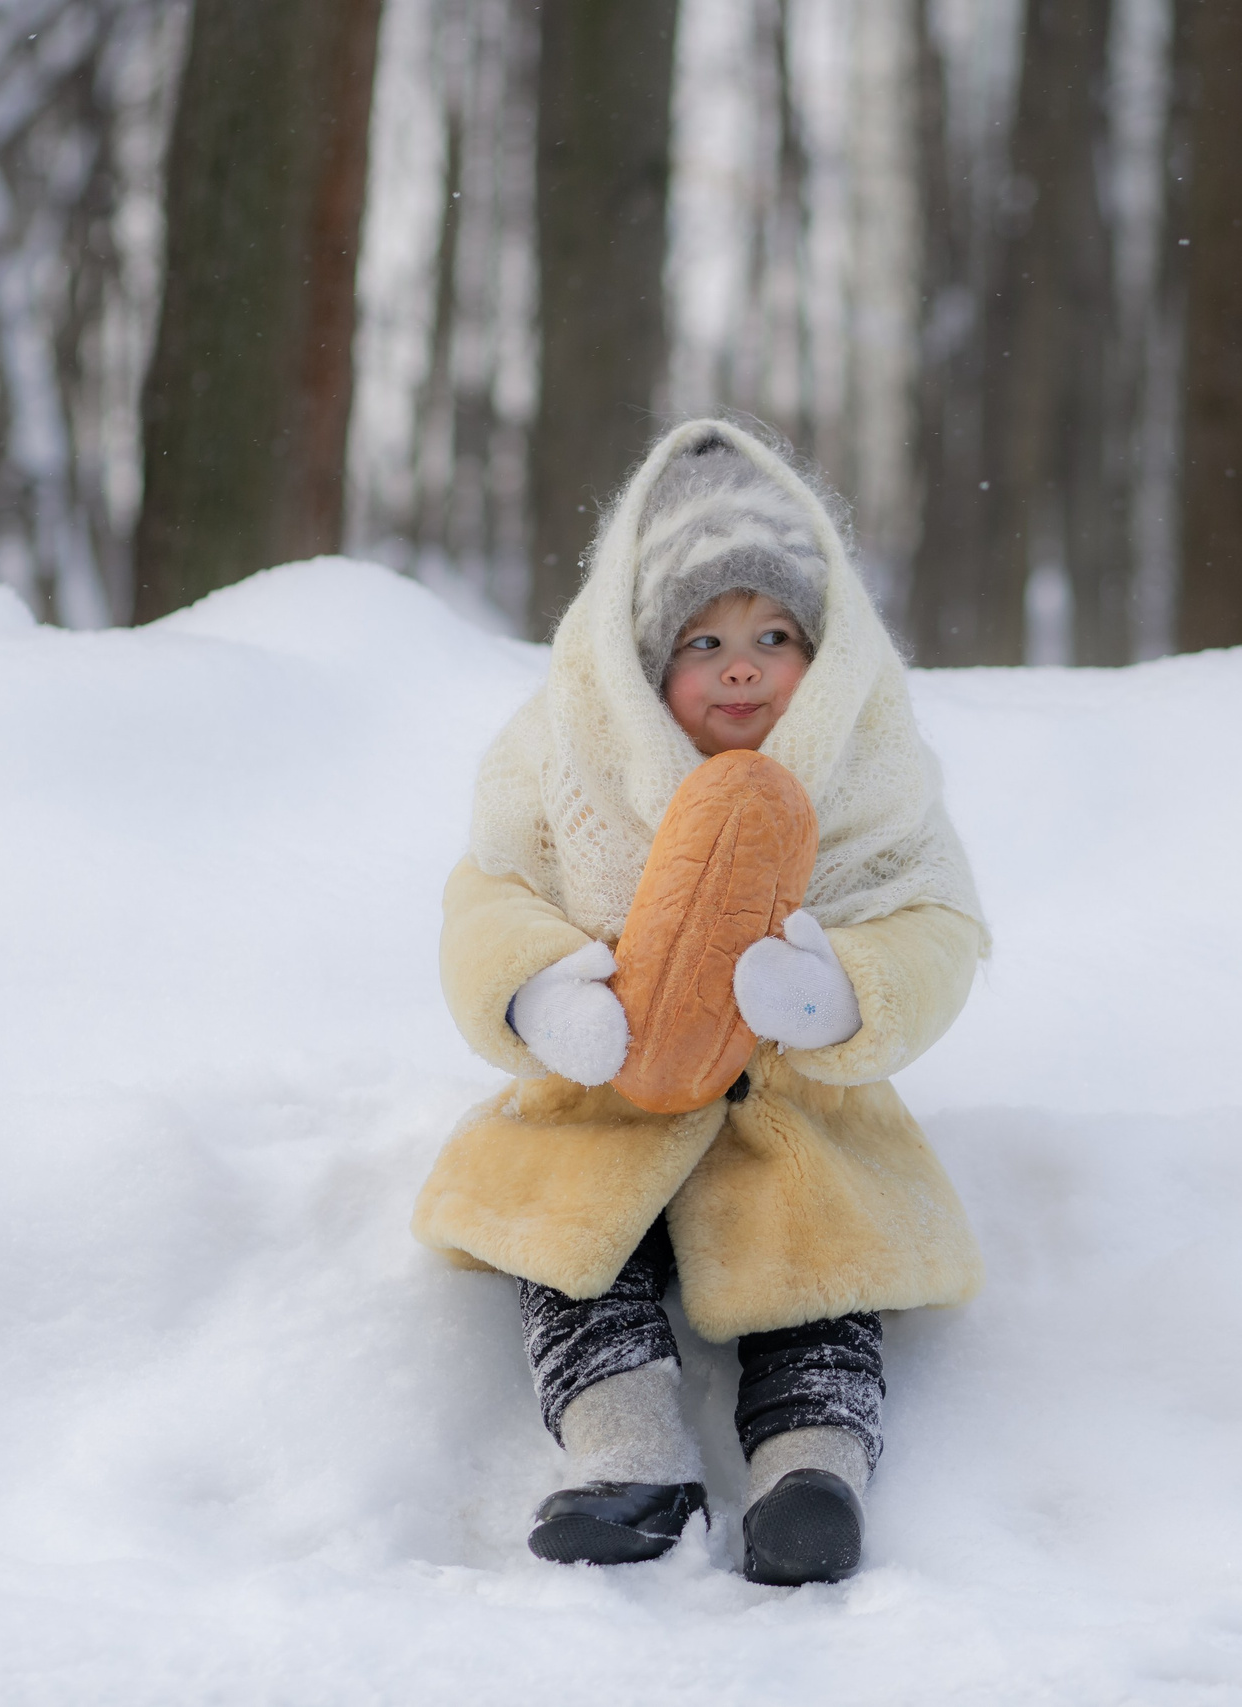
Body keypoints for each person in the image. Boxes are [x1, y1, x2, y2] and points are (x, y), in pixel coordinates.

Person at [412, 419, 987, 1586]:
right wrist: (539, 994)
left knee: (825, 1274)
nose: (741, 665)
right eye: (704, 639)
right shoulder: (562, 763)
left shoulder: (874, 778)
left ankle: (810, 1474)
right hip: (609, 1095)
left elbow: (936, 927)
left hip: (795, 1115)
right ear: (634, 664)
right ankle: (626, 1458)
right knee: (573, 1258)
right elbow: (491, 894)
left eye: (775, 636)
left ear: (824, 656)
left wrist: (845, 994)